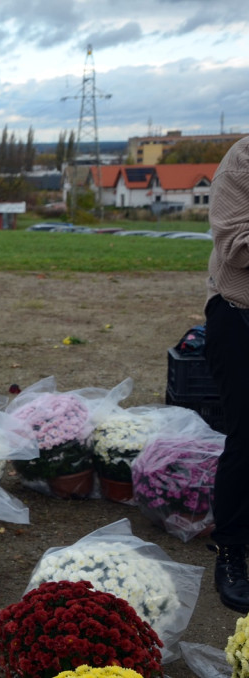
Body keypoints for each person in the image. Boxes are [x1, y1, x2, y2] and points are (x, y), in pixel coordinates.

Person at [204, 134, 249, 613]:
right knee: (247, 435)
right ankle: (232, 549)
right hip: (240, 314)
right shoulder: (243, 159)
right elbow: (235, 245)